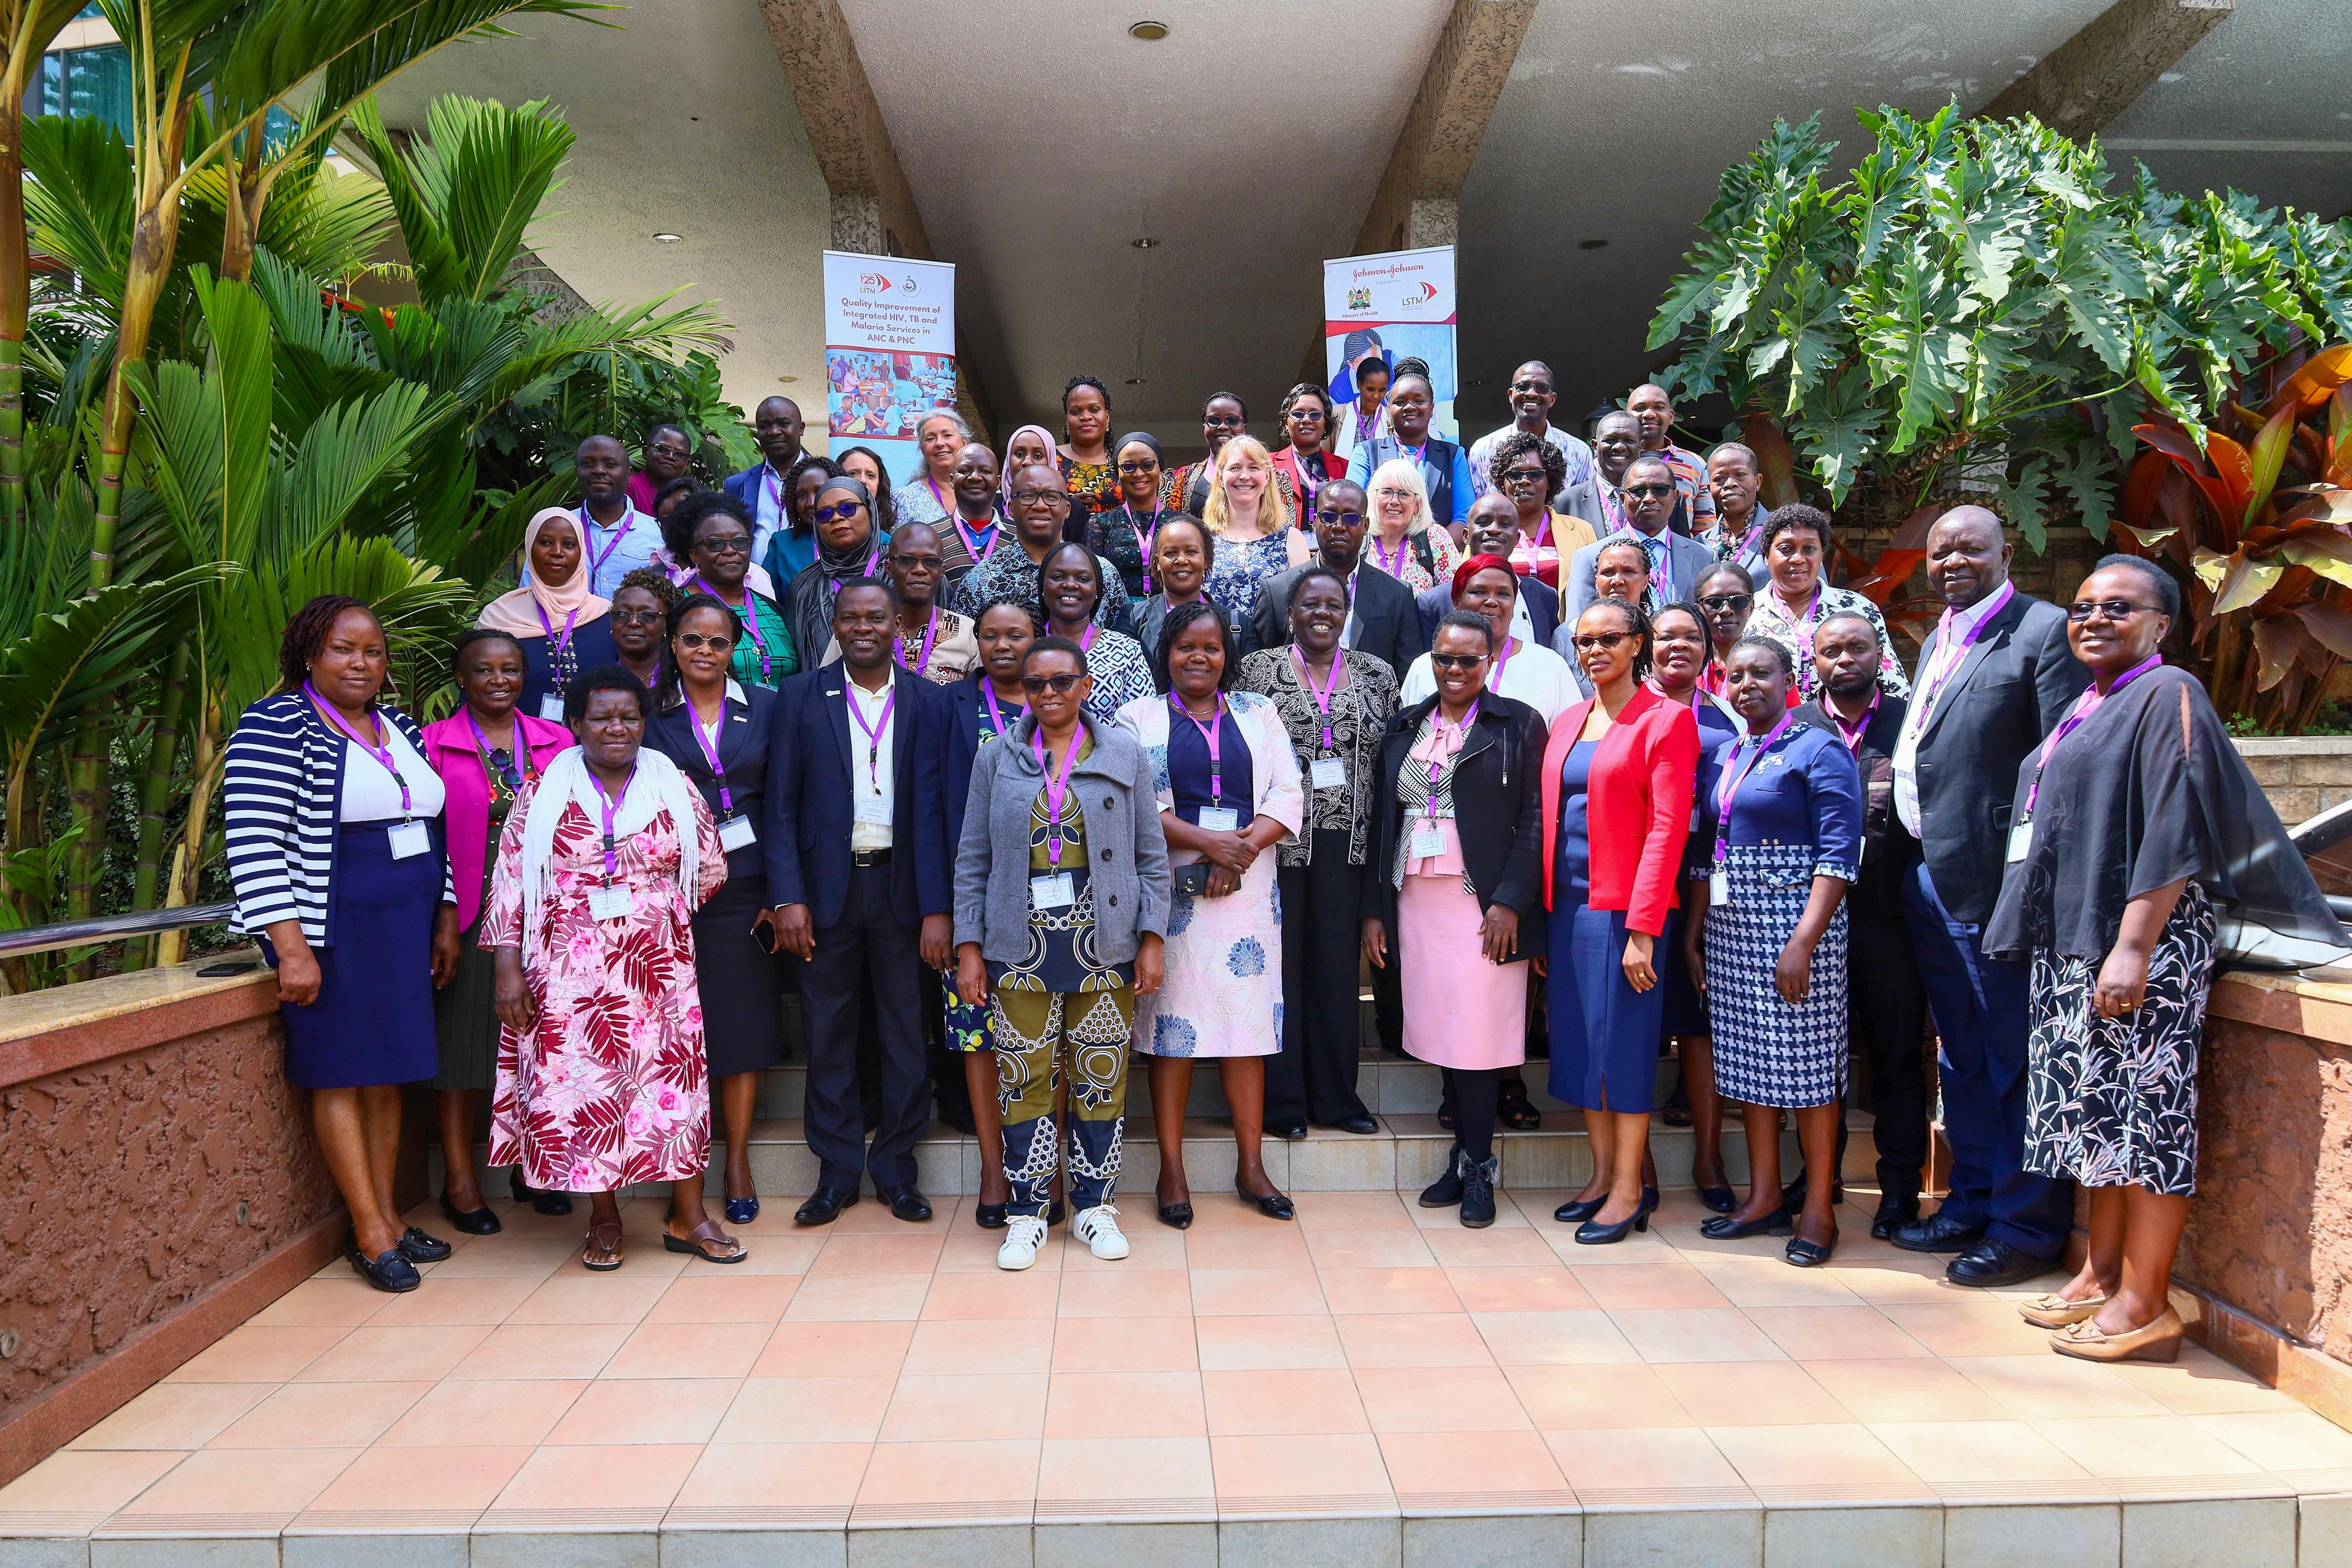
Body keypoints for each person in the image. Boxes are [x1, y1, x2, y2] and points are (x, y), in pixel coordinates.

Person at [1984, 556, 2345, 1360]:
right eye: (2082, 607)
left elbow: (2175, 824)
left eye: (2120, 607)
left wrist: (2133, 946)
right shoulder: (2089, 702)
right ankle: (2102, 1274)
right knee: (2096, 1124)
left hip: (2135, 950)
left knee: (2144, 1127)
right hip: (2078, 944)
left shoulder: (2169, 692)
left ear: (2161, 624)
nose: (2094, 619)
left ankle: (2149, 1306)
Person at [225, 597, 455, 1293]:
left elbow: (427, 823)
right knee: (339, 1071)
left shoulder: (400, 726)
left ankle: (390, 1212)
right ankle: (368, 1230)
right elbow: (253, 842)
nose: (361, 663)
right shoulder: (276, 723)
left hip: (403, 927)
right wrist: (290, 948)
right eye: (343, 649)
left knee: (388, 1072)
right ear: (308, 654)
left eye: (374, 652)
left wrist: (443, 915)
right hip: (332, 929)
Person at [1889, 506, 2087, 1286]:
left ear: (2008, 551)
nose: (1954, 562)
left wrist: (2025, 888)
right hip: (1934, 879)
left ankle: (2026, 1226)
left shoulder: (2042, 633)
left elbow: (2058, 769)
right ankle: (1971, 1197)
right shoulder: (1945, 633)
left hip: (1999, 891)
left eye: (1972, 548)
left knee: (2013, 1059)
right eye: (1942, 552)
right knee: (1964, 1058)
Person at [486, 665, 741, 1270]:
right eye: (602, 717)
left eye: (629, 716)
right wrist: (507, 966)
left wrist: (654, 907)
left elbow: (710, 866)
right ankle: (603, 1218)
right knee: (586, 1090)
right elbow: (510, 884)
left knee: (672, 1086)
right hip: (567, 973)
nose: (617, 728)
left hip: (659, 970)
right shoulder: (541, 790)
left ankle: (689, 1213)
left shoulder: (673, 784)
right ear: (576, 723)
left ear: (644, 722)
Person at [955, 636, 1170, 1269]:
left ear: (1085, 685)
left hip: (1105, 946)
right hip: (1018, 949)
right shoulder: (998, 758)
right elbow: (973, 860)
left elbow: (1152, 859)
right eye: (1036, 683)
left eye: (1061, 681)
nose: (1049, 693)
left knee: (1101, 1079)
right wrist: (970, 949)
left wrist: (1151, 940)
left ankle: (1096, 1209)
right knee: (1023, 1081)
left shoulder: (1124, 753)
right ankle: (1026, 1215)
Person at [765, 579, 956, 1227]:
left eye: (878, 616)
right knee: (828, 1035)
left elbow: (939, 815)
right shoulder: (797, 700)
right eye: (852, 618)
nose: (865, 627)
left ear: (898, 625)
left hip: (904, 891)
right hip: (825, 894)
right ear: (837, 626)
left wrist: (940, 909)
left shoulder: (931, 703)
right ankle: (837, 1173)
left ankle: (898, 1172)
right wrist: (787, 895)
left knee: (907, 1034)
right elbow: (781, 806)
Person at [1124, 602, 1305, 1226]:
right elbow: (1136, 801)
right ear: (1165, 653)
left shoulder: (1259, 712)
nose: (1198, 657)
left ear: (1228, 654)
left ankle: (1251, 1165)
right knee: (1171, 1033)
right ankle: (1171, 1170)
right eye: (1185, 647)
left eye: (1211, 647)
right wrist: (1209, 846)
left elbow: (1288, 790)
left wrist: (1243, 848)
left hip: (1249, 896)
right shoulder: (1138, 717)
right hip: (1171, 898)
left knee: (1246, 1031)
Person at [1684, 637, 1862, 1266]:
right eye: (1735, 676)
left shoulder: (1818, 748)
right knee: (1749, 1067)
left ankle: (1818, 1208)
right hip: (1734, 928)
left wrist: (1804, 944)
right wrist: (1696, 933)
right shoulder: (1731, 751)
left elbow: (1840, 856)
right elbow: (1713, 850)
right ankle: (1763, 1197)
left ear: (1790, 680)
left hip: (1796, 929)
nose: (1747, 684)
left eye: (1762, 673)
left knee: (1810, 1071)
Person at [1365, 609, 1546, 1227]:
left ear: (1489, 661)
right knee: (1446, 1031)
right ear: (1432, 661)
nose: (1455, 670)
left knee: (1477, 1036)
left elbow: (1535, 820)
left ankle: (1479, 1167)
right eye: (1445, 659)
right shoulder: (1406, 725)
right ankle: (1462, 1156)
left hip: (1483, 906)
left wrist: (1511, 902)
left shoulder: (1517, 724)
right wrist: (1376, 912)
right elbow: (1382, 822)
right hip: (1418, 901)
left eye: (1469, 660)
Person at [1541, 599, 1698, 1242]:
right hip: (1568, 909)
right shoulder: (1568, 720)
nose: (1595, 650)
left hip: (1625, 913)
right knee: (1581, 1048)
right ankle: (1603, 1175)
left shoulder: (1668, 721)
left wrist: (1644, 929)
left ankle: (1632, 1189)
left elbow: (1667, 831)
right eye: (1585, 640)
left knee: (1624, 1052)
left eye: (1610, 638)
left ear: (1639, 644)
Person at [423, 629, 577, 1233]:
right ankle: (460, 1182)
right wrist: (441, 916)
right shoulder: (433, 744)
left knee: (539, 1046)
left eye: (510, 670)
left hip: (545, 916)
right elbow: (425, 843)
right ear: (462, 678)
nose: (499, 681)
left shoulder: (557, 741)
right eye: (483, 671)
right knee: (464, 1050)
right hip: (464, 910)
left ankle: (530, 1168)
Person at [1242, 568, 1400, 1137]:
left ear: (1347, 611)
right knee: (1282, 973)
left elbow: (1391, 764)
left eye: (1334, 604)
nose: (1322, 614)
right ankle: (1283, 1105)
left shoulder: (1377, 676)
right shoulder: (1257, 672)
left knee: (1336, 973)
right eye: (1310, 604)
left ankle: (1337, 1100)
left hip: (1348, 845)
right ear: (1291, 612)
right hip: (1277, 845)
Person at [643, 597, 785, 1227]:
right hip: (669, 895)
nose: (706, 651)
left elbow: (787, 806)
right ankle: (685, 1157)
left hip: (747, 893)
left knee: (742, 1029)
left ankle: (737, 1161)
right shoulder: (648, 717)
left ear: (737, 648)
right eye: (693, 640)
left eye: (719, 642)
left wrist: (778, 897)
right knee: (678, 1034)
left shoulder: (769, 708)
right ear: (673, 644)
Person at [1790, 611, 1928, 1239]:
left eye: (1856, 648)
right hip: (1812, 925)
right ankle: (1819, 1177)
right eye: (1829, 651)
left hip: (1886, 918)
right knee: (1819, 1059)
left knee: (1896, 1057)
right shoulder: (1796, 728)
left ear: (1880, 654)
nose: (1843, 660)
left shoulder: (1912, 725)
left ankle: (1900, 1188)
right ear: (1812, 661)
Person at [943, 599, 1039, 1227]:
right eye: (992, 636)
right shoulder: (945, 708)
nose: (1003, 645)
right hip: (975, 899)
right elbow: (932, 808)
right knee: (978, 1036)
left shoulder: (1066, 710)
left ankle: (1041, 1165)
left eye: (1017, 636)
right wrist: (944, 913)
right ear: (976, 642)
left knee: (1049, 1039)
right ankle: (991, 1167)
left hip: (1059, 907)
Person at [1645, 600, 1740, 1203]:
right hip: (1638, 883)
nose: (1678, 647)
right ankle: (1640, 1166)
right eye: (1665, 637)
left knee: (1700, 1028)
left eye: (1691, 638)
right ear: (1644, 646)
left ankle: (1709, 1160)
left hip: (1706, 884)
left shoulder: (1728, 720)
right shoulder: (1625, 711)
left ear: (1708, 649)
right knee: (1639, 1022)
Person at [1250, 478, 1427, 676]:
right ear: (1315, 521)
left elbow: (1408, 676)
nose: (1339, 526)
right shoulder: (1277, 591)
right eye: (1328, 516)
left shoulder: (1397, 595)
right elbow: (1259, 671)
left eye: (1351, 518)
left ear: (1366, 525)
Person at [1745, 505, 1908, 705]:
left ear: (1822, 555)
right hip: (1771, 731)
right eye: (1786, 549)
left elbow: (1893, 684)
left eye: (1809, 549)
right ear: (1766, 556)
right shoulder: (1746, 612)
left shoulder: (1857, 608)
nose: (1798, 559)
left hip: (1848, 728)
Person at [1400, 555, 1580, 726]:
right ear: (1456, 602)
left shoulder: (1549, 665)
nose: (1492, 602)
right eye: (1479, 592)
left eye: (1503, 594)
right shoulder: (1426, 666)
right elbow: (1407, 734)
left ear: (1514, 605)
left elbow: (1569, 737)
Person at [479, 507, 619, 724]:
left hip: (599, 749)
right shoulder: (499, 617)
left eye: (569, 545)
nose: (557, 552)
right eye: (545, 543)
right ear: (529, 548)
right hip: (519, 748)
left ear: (581, 552)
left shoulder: (607, 615)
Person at [953, 462, 1124, 632]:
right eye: (1028, 496)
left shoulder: (1103, 574)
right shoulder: (980, 581)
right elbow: (964, 650)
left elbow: (1119, 642)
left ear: (1067, 510)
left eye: (1052, 497)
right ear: (1011, 509)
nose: (1040, 506)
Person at [1563, 454, 1718, 625]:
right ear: (1623, 500)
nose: (1649, 498)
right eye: (1638, 491)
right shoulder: (1588, 557)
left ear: (1674, 498)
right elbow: (1576, 627)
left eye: (1660, 490)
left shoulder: (1704, 557)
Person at [669, 492, 797, 689]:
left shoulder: (772, 609)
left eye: (739, 542)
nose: (730, 551)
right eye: (715, 544)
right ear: (695, 556)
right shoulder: (677, 606)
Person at [1420, 494, 1559, 651]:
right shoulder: (1433, 603)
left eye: (1505, 524)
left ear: (1517, 538)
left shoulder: (1545, 597)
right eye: (1484, 522)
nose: (1494, 530)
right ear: (1466, 536)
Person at [1040, 541, 1155, 724]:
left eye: (1083, 579)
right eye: (1058, 577)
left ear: (1097, 591)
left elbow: (1146, 724)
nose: (1070, 585)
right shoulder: (1026, 647)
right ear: (1043, 588)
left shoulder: (1126, 650)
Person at [781, 474, 890, 666]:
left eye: (847, 508)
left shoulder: (902, 569)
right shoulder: (805, 586)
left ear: (870, 511)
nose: (837, 518)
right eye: (824, 514)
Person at [1347, 368, 1475, 531]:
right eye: (1400, 402)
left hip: (1436, 554)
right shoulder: (1366, 453)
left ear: (1432, 408)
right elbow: (1353, 511)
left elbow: (1464, 517)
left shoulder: (1453, 456)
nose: (1409, 407)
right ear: (1389, 407)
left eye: (1419, 401)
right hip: (1379, 554)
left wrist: (1434, 550)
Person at [1200, 434, 1306, 631]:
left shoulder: (1292, 539)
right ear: (1221, 477)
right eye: (1235, 468)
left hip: (1272, 655)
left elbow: (1302, 608)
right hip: (1215, 652)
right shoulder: (1202, 538)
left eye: (1253, 468)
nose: (1244, 476)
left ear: (1267, 477)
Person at [856, 522, 980, 683]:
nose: (920, 569)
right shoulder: (861, 628)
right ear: (889, 568)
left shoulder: (968, 633)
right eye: (907, 560)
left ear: (942, 570)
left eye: (931, 562)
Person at [1486, 429, 1598, 602]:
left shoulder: (1581, 531)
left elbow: (1595, 591)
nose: (1524, 481)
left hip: (1564, 627)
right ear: (1504, 482)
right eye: (1515, 475)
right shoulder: (1486, 532)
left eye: (1535, 474)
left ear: (1549, 482)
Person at [1468, 360, 1596, 501]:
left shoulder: (1579, 452)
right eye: (1523, 387)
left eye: (1542, 388)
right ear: (1511, 395)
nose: (1531, 394)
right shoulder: (1482, 450)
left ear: (1552, 399)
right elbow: (1477, 510)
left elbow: (1583, 508)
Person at [1560, 412, 1686, 539]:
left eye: (1629, 440)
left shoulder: (1668, 498)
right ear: (1595, 446)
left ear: (1641, 446)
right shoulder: (1566, 502)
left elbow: (1682, 550)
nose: (1619, 447)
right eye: (1610, 440)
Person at [1086, 432, 1173, 610]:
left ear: (1160, 470)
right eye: (1128, 467)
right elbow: (1091, 582)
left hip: (1171, 614)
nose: (1139, 474)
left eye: (1148, 465)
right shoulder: (1100, 524)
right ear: (1117, 473)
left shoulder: (1182, 524)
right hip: (1117, 618)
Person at [573, 434, 664, 596]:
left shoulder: (658, 533)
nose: (599, 471)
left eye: (611, 464)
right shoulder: (557, 531)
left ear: (629, 475)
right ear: (577, 472)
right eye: (588, 464)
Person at [1358, 458, 1461, 597]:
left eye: (1404, 494)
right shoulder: (1359, 538)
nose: (1394, 501)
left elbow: (1454, 597)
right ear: (1373, 498)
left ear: (1417, 505)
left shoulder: (1435, 538)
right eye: (1386, 492)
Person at [1627, 383, 1715, 530]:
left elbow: (1705, 528)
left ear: (1672, 417)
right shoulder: (1615, 464)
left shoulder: (1695, 464)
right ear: (1627, 416)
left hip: (1681, 552)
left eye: (1659, 408)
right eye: (1640, 409)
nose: (1649, 414)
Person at [1133, 515, 1217, 665]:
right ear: (1157, 563)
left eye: (1191, 552)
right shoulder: (1134, 619)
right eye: (1171, 553)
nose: (1181, 560)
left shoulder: (1237, 624)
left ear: (1206, 560)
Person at [1269, 383, 1344, 526]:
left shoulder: (1345, 468)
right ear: (1286, 423)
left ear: (1325, 424)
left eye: (1315, 415)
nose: (1307, 420)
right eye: (1298, 414)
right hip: (1284, 547)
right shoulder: (1267, 465)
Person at [760, 453, 839, 587]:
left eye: (819, 491)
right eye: (802, 495)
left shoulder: (873, 540)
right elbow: (766, 601)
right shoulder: (781, 544)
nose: (811, 502)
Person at [1170, 392, 1250, 515]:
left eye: (1232, 421)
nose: (1223, 427)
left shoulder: (1268, 475)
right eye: (1214, 420)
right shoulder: (1183, 478)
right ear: (1204, 427)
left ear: (1244, 427)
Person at [939, 442, 1006, 587]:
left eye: (985, 471)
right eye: (965, 470)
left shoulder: (1019, 537)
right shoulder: (932, 537)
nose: (975, 477)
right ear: (952, 480)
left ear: (998, 482)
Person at [893, 410, 972, 528]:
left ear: (964, 442)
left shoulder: (988, 493)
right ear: (922, 449)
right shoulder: (903, 499)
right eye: (930, 439)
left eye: (947, 435)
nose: (940, 443)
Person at [1058, 376, 1119, 522]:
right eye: (1076, 412)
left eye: (1094, 409)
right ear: (1067, 419)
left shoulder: (1123, 461)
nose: (1085, 417)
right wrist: (1068, 506)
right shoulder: (1049, 458)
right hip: (1063, 543)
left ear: (1107, 417)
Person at [1694, 563, 1756, 701]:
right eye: (1714, 602)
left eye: (1738, 600)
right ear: (1698, 610)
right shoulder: (1685, 666)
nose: (1726, 610)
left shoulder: (1772, 669)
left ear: (1751, 607)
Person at [1704, 442, 1772, 570]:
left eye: (1740, 475)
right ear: (1709, 489)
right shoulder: (1700, 543)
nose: (1730, 484)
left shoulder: (1784, 533)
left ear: (1757, 482)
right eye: (1719, 478)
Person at [608, 569, 674, 695]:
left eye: (648, 616)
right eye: (623, 614)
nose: (633, 622)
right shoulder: (598, 684)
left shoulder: (681, 682)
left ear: (667, 624)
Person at [1334, 338, 1390, 461]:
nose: (1376, 396)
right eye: (1371, 389)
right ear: (1359, 385)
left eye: (1382, 390)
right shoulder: (1337, 415)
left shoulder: (1391, 417)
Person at [628, 422, 694, 516]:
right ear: (646, 452)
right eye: (662, 449)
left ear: (687, 464)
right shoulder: (629, 488)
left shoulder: (691, 498)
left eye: (680, 454)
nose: (671, 457)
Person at [836, 446, 901, 541]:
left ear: (879, 484)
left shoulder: (895, 536)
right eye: (853, 473)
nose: (863, 480)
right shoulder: (826, 525)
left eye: (870, 475)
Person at [998, 424, 1061, 513]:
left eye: (1038, 456)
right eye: (1019, 455)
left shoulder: (1070, 511)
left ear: (1050, 462)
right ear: (1008, 461)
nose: (1027, 462)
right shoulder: (988, 507)